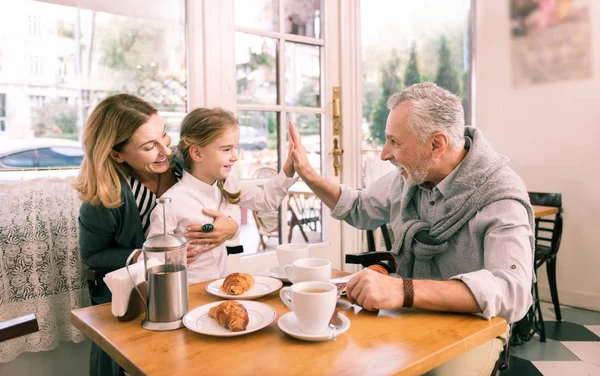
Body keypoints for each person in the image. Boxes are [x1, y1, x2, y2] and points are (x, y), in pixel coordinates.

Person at [288, 82, 535, 375]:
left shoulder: (500, 194)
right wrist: (308, 175)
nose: (383, 154)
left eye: (395, 142)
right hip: (410, 313)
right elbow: (359, 207)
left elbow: (514, 292)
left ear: (436, 145)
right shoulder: (409, 178)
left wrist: (403, 290)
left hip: (475, 327)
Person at [74, 94, 238, 376]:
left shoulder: (180, 167)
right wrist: (148, 256)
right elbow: (92, 255)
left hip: (192, 292)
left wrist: (230, 228)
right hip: (138, 301)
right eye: (149, 146)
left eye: (164, 136)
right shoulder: (104, 198)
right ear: (116, 154)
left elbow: (223, 197)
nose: (165, 150)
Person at [148, 107, 298, 284]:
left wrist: (288, 169)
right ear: (197, 153)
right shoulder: (171, 203)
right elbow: (153, 259)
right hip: (187, 293)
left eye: (236, 148)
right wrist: (169, 259)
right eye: (226, 149)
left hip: (221, 286)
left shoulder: (228, 184)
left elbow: (266, 201)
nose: (235, 157)